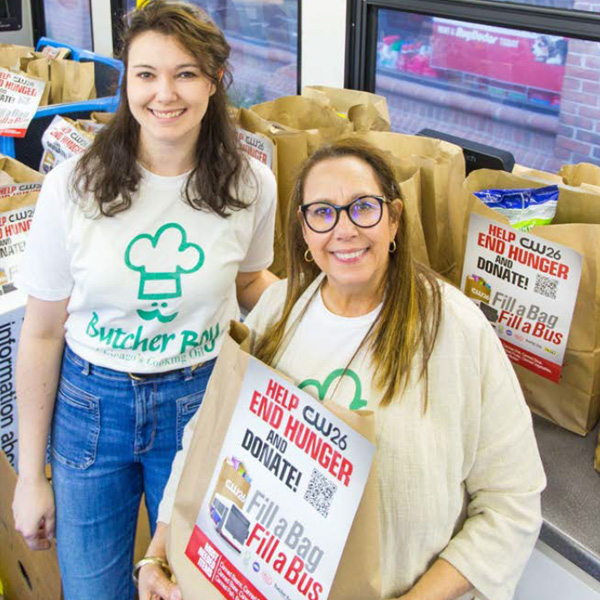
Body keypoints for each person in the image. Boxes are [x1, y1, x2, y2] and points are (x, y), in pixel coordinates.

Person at [142, 138, 546, 600]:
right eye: (323, 212)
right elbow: (205, 434)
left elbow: (512, 503)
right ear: (305, 230)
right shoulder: (278, 309)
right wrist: (161, 546)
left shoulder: (455, 330)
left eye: (363, 208)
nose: (344, 229)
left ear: (394, 218)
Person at [12, 2, 277, 600]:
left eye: (185, 73)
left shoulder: (251, 184)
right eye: (146, 74)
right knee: (91, 591)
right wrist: (30, 476)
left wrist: (332, 311)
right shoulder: (72, 184)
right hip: (90, 406)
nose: (165, 94)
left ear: (214, 81)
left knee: (190, 587)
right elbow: (43, 331)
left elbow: (252, 284)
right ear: (124, 81)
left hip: (201, 401)